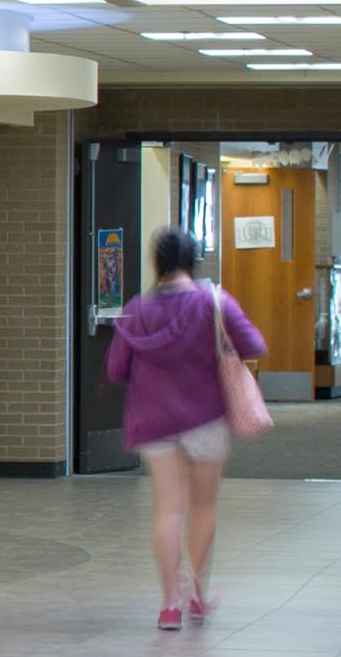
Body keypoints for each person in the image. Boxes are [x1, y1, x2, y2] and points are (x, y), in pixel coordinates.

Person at [105, 228, 261, 630]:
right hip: (206, 418)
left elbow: (115, 368)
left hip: (153, 420)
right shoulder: (214, 301)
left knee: (169, 509)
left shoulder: (137, 308)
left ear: (156, 263)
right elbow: (253, 343)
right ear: (193, 261)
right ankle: (197, 594)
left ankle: (169, 605)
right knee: (203, 506)